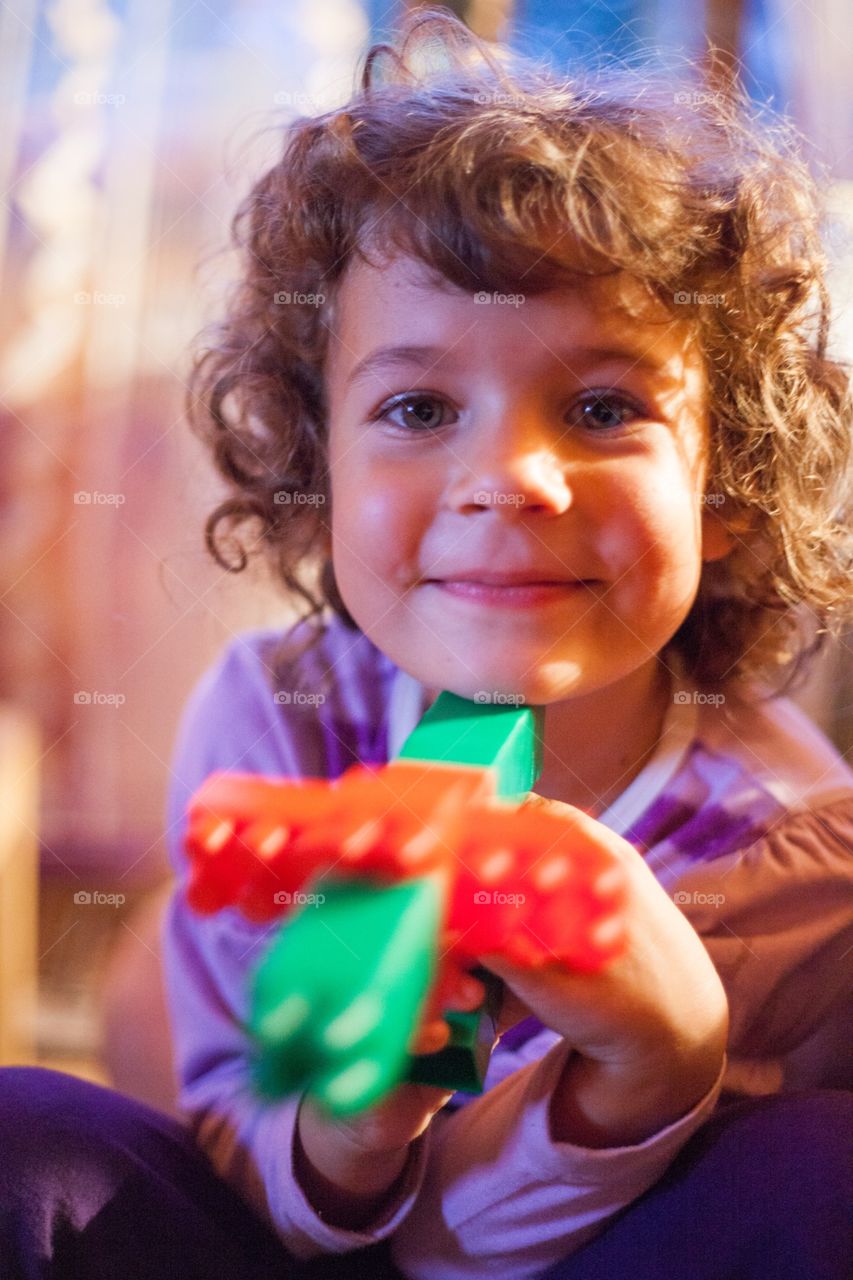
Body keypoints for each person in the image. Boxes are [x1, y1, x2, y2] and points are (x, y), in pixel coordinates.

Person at [2, 10, 851, 1279]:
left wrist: (652, 1064)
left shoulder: (793, 851)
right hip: (284, 1244)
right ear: (317, 471)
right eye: (416, 406)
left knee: (820, 1161)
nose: (508, 476)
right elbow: (233, 1132)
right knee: (33, 1129)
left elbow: (481, 1252)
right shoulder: (277, 724)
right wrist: (343, 1119)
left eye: (602, 406)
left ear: (723, 484)